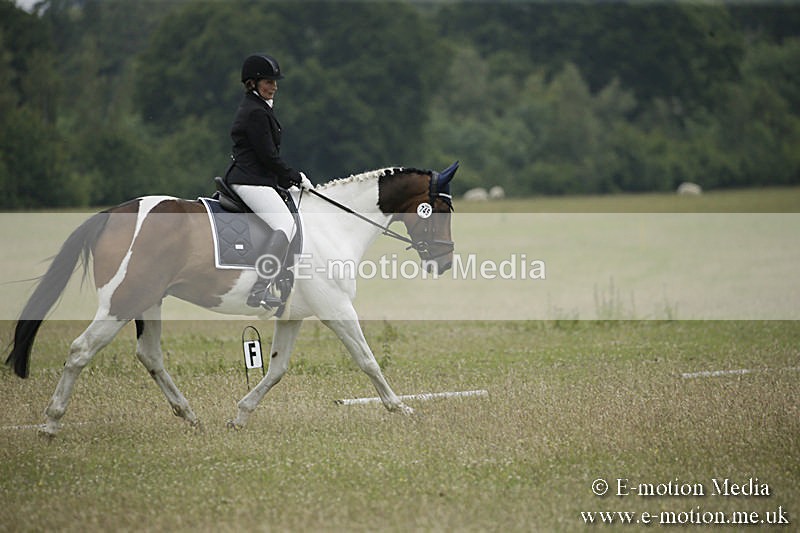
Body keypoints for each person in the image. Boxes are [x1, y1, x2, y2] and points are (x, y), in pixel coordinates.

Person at [224, 53, 311, 309]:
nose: (274, 86)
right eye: (267, 81)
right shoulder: (255, 113)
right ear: (252, 83)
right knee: (284, 223)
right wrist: (295, 177)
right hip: (250, 180)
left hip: (259, 178)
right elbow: (268, 156)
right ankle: (259, 289)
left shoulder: (259, 108)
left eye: (275, 81)